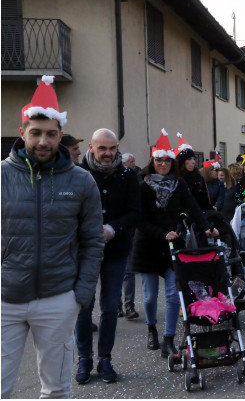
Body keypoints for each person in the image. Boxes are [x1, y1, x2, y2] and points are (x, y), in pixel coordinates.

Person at [1, 75, 103, 398]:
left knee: (57, 389)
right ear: (22, 133)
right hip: (5, 298)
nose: (42, 141)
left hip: (59, 299)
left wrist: (80, 295)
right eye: (36, 133)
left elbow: (92, 241)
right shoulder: (2, 176)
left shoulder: (82, 182)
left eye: (50, 134)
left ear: (61, 135)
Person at [130, 129, 218, 359]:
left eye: (166, 160)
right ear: (153, 161)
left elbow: (194, 209)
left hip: (173, 243)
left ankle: (168, 338)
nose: (162, 164)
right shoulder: (143, 185)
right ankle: (152, 329)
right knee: (149, 296)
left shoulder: (178, 184)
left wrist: (207, 226)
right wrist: (161, 233)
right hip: (148, 243)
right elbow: (139, 219)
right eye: (158, 160)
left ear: (172, 162)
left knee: (172, 294)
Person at [75, 128, 140, 384]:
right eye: (102, 148)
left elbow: (135, 212)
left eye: (112, 148)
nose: (108, 153)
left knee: (110, 307)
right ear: (91, 147)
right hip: (84, 252)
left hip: (116, 251)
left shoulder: (128, 175)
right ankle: (84, 359)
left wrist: (113, 228)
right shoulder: (78, 175)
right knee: (84, 306)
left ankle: (105, 359)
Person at [119, 152, 143, 321]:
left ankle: (129, 305)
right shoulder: (114, 180)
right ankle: (116, 305)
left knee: (128, 272)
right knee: (113, 272)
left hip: (129, 232)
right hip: (113, 232)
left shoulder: (138, 180)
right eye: (130, 162)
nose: (133, 164)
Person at [174, 133, 211, 211]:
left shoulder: (198, 178)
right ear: (182, 161)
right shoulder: (175, 178)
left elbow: (205, 201)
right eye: (189, 159)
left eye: (194, 159)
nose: (193, 162)